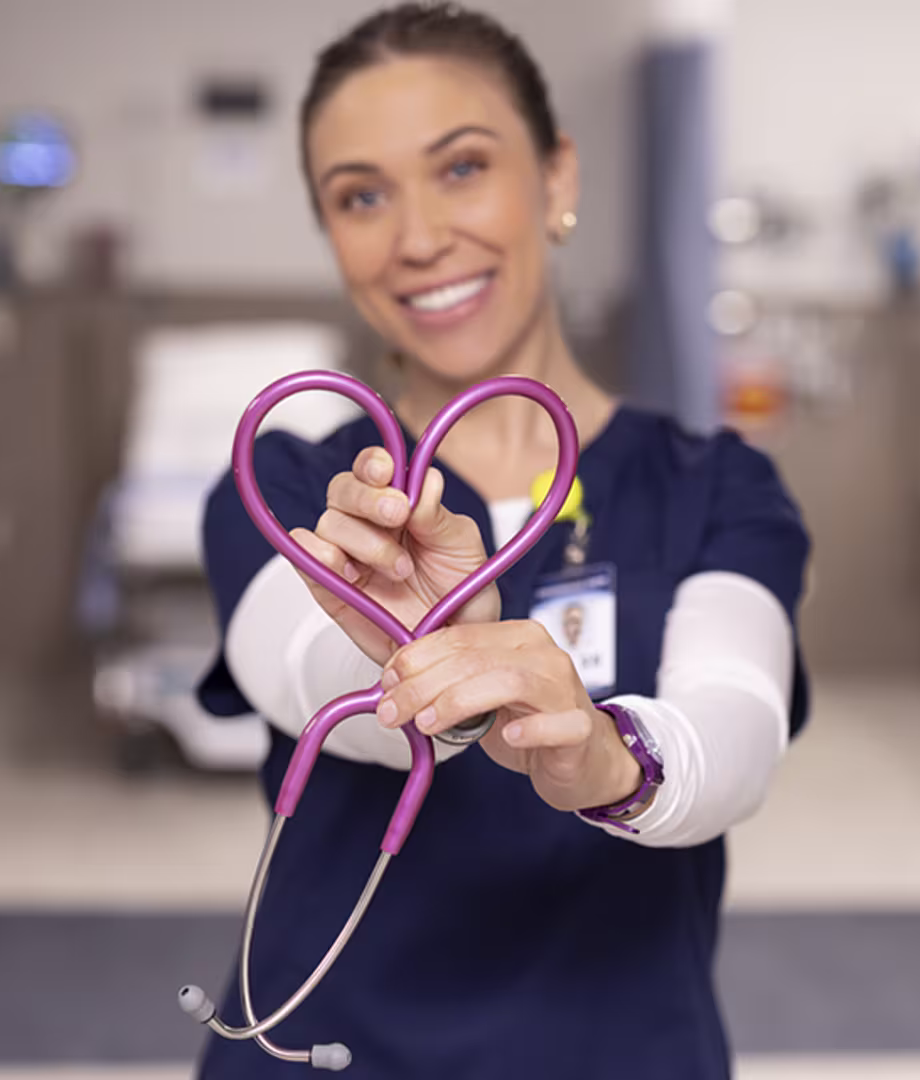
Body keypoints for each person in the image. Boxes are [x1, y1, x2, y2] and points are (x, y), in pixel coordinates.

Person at [195, 4, 811, 1076]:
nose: (420, 235)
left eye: (463, 167)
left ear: (558, 180)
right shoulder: (289, 483)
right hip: (327, 1048)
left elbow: (736, 732)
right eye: (361, 195)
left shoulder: (714, 488)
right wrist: (413, 649)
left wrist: (601, 754)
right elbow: (302, 672)